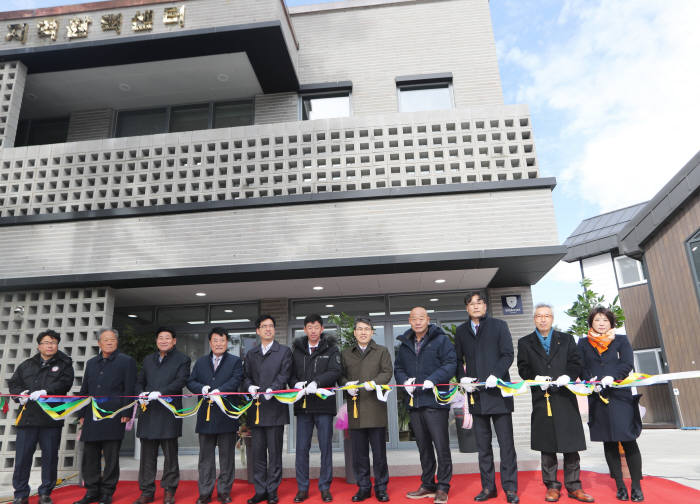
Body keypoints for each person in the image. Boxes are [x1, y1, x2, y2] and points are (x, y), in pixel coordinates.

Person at [516, 304, 594, 503]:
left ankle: (574, 486)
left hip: (565, 396)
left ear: (552, 318)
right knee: (547, 445)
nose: (543, 319)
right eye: (539, 316)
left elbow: (576, 362)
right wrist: (536, 378)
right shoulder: (525, 342)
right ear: (534, 319)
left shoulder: (566, 339)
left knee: (571, 444)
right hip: (543, 398)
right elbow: (523, 369)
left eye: (547, 316)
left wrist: (569, 376)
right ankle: (551, 486)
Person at [455, 292, 519, 503]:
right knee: (483, 447)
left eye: (479, 302)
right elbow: (457, 360)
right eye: (471, 304)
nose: (475, 306)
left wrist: (496, 375)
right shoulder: (462, 331)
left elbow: (508, 354)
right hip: (477, 397)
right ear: (466, 308)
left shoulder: (499, 326)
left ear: (485, 306)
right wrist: (463, 379)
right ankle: (488, 488)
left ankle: (510, 488)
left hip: (498, 393)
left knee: (506, 445)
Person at [578, 306, 644, 502]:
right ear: (591, 322)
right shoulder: (582, 343)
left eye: (605, 320)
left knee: (628, 440)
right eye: (597, 320)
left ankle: (637, 486)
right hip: (598, 397)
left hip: (620, 396)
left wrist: (612, 377)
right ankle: (620, 486)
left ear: (611, 323)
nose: (601, 323)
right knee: (609, 442)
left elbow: (627, 363)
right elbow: (580, 365)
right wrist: (590, 379)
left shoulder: (621, 340)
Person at [394, 307, 456, 504]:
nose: (418, 321)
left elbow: (450, 364)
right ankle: (428, 484)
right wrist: (404, 381)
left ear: (428, 320)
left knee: (441, 446)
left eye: (421, 318)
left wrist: (433, 379)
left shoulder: (441, 339)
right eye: (414, 318)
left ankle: (443, 486)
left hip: (435, 403)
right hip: (415, 403)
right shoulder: (404, 344)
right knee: (423, 447)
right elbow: (398, 368)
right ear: (409, 321)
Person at [8, 329, 75, 504]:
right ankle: (21, 494)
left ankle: (45, 492)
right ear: (39, 346)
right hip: (27, 418)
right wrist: (18, 395)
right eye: (46, 342)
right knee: (22, 458)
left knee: (50, 457)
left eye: (53, 342)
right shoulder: (27, 364)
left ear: (57, 345)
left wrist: (46, 392)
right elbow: (13, 383)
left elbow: (65, 383)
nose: (50, 345)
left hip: (50, 418)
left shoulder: (64, 363)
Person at [73, 328, 137, 504]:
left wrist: (126, 412)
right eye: (106, 340)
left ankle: (107, 491)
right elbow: (85, 390)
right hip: (92, 415)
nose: (109, 342)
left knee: (111, 455)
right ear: (99, 343)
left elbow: (130, 389)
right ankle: (92, 490)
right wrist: (82, 413)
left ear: (117, 342)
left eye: (113, 340)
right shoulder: (92, 362)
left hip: (114, 415)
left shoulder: (126, 361)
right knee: (90, 454)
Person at [134, 327, 191, 504]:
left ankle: (169, 490)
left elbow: (181, 381)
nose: (164, 340)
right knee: (147, 456)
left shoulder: (182, 359)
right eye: (160, 338)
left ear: (174, 341)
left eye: (167, 338)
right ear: (156, 340)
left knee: (170, 455)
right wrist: (141, 393)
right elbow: (139, 381)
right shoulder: (148, 359)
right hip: (148, 412)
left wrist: (160, 393)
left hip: (169, 412)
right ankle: (147, 491)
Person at [187, 327, 244, 504]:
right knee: (205, 458)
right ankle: (204, 492)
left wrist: (221, 390)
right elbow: (191, 381)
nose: (219, 343)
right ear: (210, 343)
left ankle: (224, 491)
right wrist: (201, 389)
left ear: (227, 342)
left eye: (222, 340)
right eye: (215, 340)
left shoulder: (235, 361)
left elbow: (236, 380)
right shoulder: (201, 362)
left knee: (227, 457)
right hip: (206, 416)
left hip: (227, 415)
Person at [340, 317, 393, 503]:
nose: (363, 332)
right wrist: (346, 385)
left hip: (375, 409)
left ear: (372, 332)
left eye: (367, 329)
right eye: (360, 329)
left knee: (379, 453)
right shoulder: (346, 354)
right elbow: (341, 376)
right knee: (359, 454)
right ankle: (363, 487)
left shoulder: (382, 351)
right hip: (355, 410)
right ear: (354, 333)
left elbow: (387, 372)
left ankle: (381, 488)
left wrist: (374, 383)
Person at [290, 314, 341, 503]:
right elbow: (290, 374)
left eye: (316, 327)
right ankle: (302, 488)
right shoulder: (296, 351)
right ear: (304, 329)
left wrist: (317, 382)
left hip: (324, 406)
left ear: (321, 329)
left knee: (325, 447)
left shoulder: (332, 349)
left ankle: (325, 487)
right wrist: (296, 384)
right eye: (309, 327)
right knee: (302, 448)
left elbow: (335, 372)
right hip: (303, 406)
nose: (313, 330)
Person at [242, 315, 293, 504]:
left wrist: (274, 387)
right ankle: (260, 489)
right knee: (257, 453)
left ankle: (272, 490)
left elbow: (285, 373)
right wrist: (249, 387)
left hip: (275, 409)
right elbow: (245, 376)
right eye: (264, 326)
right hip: (256, 410)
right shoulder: (251, 353)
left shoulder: (284, 352)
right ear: (258, 331)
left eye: (271, 326)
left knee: (275, 453)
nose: (268, 329)